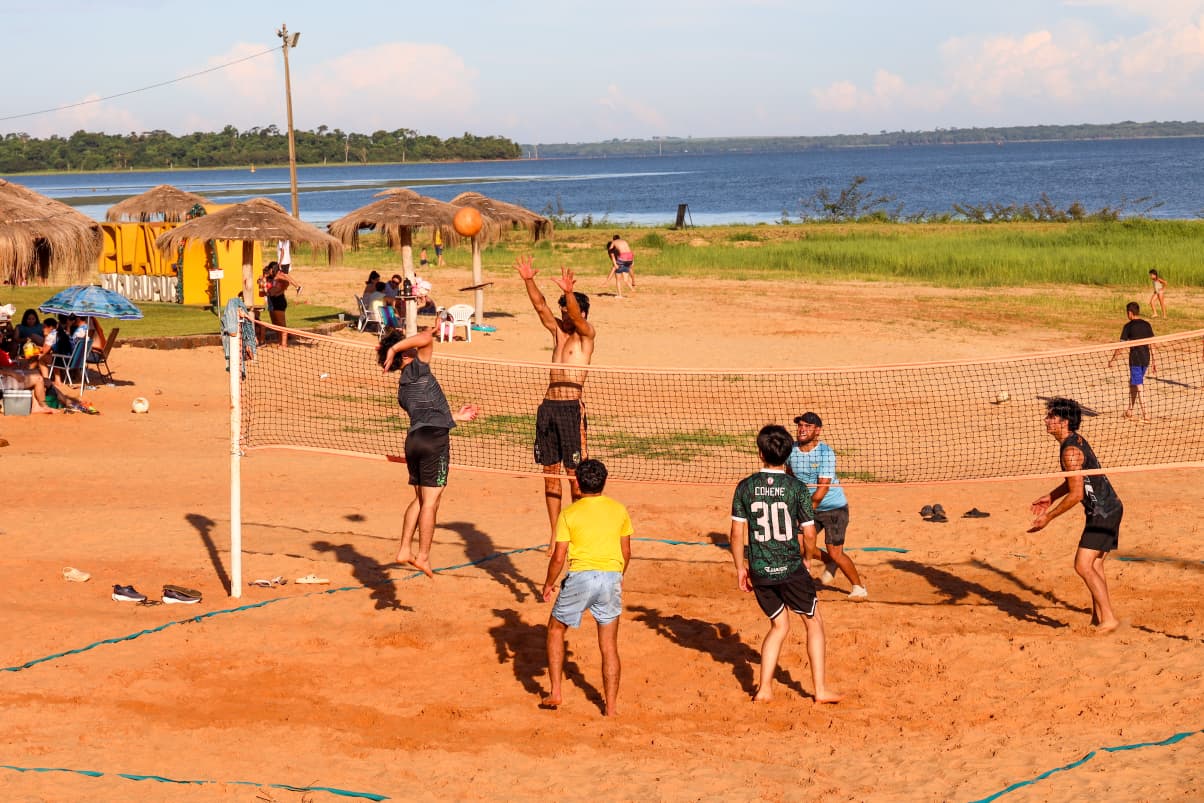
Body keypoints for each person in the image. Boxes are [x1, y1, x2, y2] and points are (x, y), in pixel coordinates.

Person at [730, 424, 841, 704]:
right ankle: (820, 690)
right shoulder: (796, 488)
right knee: (813, 622)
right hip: (791, 567)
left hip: (760, 569)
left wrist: (740, 568)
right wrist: (807, 560)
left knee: (779, 625)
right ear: (788, 454)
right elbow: (810, 533)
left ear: (760, 453)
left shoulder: (745, 487)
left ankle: (765, 689)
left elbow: (736, 533)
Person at [379, 328, 479, 578]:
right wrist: (394, 348)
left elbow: (426, 414)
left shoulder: (403, 387)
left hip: (414, 440)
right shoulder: (418, 368)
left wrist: (455, 416)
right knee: (432, 503)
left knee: (421, 500)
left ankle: (404, 549)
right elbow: (426, 339)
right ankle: (422, 555)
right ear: (406, 352)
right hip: (434, 440)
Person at [514, 255, 596, 546]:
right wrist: (528, 280)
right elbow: (540, 307)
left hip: (571, 410)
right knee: (550, 476)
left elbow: (574, 316)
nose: (564, 317)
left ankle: (578, 530)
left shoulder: (586, 335)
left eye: (569, 313)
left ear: (582, 314)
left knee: (576, 478)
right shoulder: (559, 333)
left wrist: (570, 293)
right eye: (562, 312)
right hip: (548, 408)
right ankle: (555, 533)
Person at [541, 458, 632, 715]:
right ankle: (611, 709)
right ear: (605, 482)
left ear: (577, 485)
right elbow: (626, 552)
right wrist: (618, 575)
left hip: (581, 577)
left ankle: (556, 692)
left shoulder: (569, 513)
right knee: (609, 646)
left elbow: (559, 557)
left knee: (556, 629)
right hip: (610, 577)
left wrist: (548, 584)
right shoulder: (618, 510)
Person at [1028, 397, 1122, 632]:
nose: (1046, 420)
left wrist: (1048, 517)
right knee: (1095, 566)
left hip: (1103, 512)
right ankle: (1099, 617)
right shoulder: (1073, 442)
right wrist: (1051, 496)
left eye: (1051, 416)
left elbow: (1076, 494)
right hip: (1108, 508)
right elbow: (1075, 481)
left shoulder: (1070, 450)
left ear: (1064, 421)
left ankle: (1109, 618)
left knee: (1082, 566)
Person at [787, 412, 867, 599]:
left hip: (834, 508)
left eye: (807, 426)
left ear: (818, 431)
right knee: (798, 546)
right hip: (809, 506)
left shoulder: (825, 452)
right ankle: (830, 563)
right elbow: (790, 476)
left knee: (835, 552)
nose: (802, 429)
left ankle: (858, 587)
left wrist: (804, 512)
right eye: (800, 425)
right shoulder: (791, 450)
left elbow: (823, 488)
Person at [1107, 302, 1156, 422]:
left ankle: (1146, 413)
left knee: (1139, 385)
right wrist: (1155, 361)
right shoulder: (1147, 325)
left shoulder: (1128, 327)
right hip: (1146, 359)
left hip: (1135, 360)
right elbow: (1152, 343)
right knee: (1133, 383)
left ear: (1130, 313)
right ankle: (1130, 410)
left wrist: (1113, 359)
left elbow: (1121, 346)